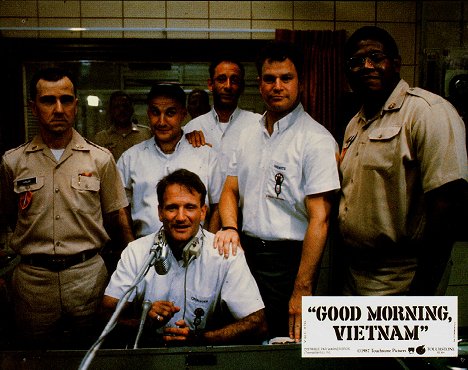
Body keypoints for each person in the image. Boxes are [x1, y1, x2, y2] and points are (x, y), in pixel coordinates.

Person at [213, 41, 341, 341]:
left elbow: (320, 219)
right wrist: (230, 227)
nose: (277, 86)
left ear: (301, 82)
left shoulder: (316, 140)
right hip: (246, 255)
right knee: (244, 340)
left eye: (286, 78)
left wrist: (302, 288)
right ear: (259, 84)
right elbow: (230, 189)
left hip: (291, 263)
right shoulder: (246, 134)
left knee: (284, 344)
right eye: (270, 79)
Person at [0, 67, 133, 349]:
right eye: (48, 101)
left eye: (66, 100)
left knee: (93, 353)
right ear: (33, 108)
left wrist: (133, 268)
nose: (58, 109)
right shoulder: (13, 162)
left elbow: (116, 217)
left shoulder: (100, 159)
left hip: (87, 278)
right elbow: (9, 217)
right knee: (34, 359)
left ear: (75, 104)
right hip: (33, 284)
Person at [338, 26, 468, 296]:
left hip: (405, 278)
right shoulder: (355, 125)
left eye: (376, 57)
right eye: (356, 62)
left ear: (395, 64)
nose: (367, 66)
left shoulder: (427, 112)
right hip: (356, 276)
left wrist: (420, 297)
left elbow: (448, 206)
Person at [102, 169, 267, 347]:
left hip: (203, 356)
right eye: (172, 207)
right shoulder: (136, 251)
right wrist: (144, 321)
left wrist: (200, 339)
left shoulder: (224, 253)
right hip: (149, 355)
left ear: (203, 212)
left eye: (190, 207)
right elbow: (105, 316)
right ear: (160, 212)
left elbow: (258, 324)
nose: (181, 217)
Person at [117, 83, 222, 240]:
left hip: (195, 251)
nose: (161, 121)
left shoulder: (206, 156)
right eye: (155, 112)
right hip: (145, 250)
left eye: (170, 113)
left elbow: (217, 206)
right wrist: (131, 248)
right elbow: (120, 209)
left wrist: (209, 248)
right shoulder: (130, 158)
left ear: (183, 114)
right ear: (148, 113)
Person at [184, 58, 262, 178]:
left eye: (234, 80)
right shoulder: (192, 128)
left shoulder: (258, 124)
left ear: (242, 86)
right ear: (210, 85)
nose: (228, 86)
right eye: (221, 79)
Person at [93, 91, 152, 161]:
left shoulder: (146, 134)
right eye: (117, 107)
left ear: (132, 109)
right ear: (111, 110)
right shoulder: (101, 138)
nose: (122, 110)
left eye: (125, 106)